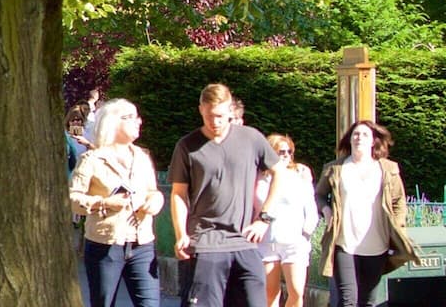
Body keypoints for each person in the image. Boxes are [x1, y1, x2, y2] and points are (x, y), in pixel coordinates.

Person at [169, 84, 292, 307]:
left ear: (229, 110)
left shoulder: (251, 138)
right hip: (206, 242)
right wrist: (181, 233)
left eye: (219, 116)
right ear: (200, 110)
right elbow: (178, 193)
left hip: (245, 242)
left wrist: (264, 219)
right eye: (208, 116)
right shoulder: (187, 146)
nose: (214, 122)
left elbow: (279, 173)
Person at [315, 120, 419, 307]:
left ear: (373, 141)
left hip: (376, 245)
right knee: (348, 301)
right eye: (355, 134)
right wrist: (326, 209)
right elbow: (319, 195)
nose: (359, 138)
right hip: (344, 243)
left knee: (368, 302)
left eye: (364, 135)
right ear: (350, 139)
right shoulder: (335, 168)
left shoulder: (388, 169)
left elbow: (399, 201)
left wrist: (397, 225)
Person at [70, 99, 162, 307]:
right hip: (106, 245)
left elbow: (153, 191)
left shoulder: (141, 156)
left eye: (137, 116)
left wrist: (155, 200)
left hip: (143, 243)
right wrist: (104, 202)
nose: (139, 121)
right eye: (131, 117)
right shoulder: (92, 159)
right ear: (112, 123)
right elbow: (72, 198)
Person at [257, 134, 316, 307]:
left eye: (289, 151)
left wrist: (306, 232)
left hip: (294, 241)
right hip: (266, 242)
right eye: (280, 151)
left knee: (297, 292)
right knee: (270, 294)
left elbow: (310, 205)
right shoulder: (259, 177)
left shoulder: (299, 175)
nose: (285, 155)